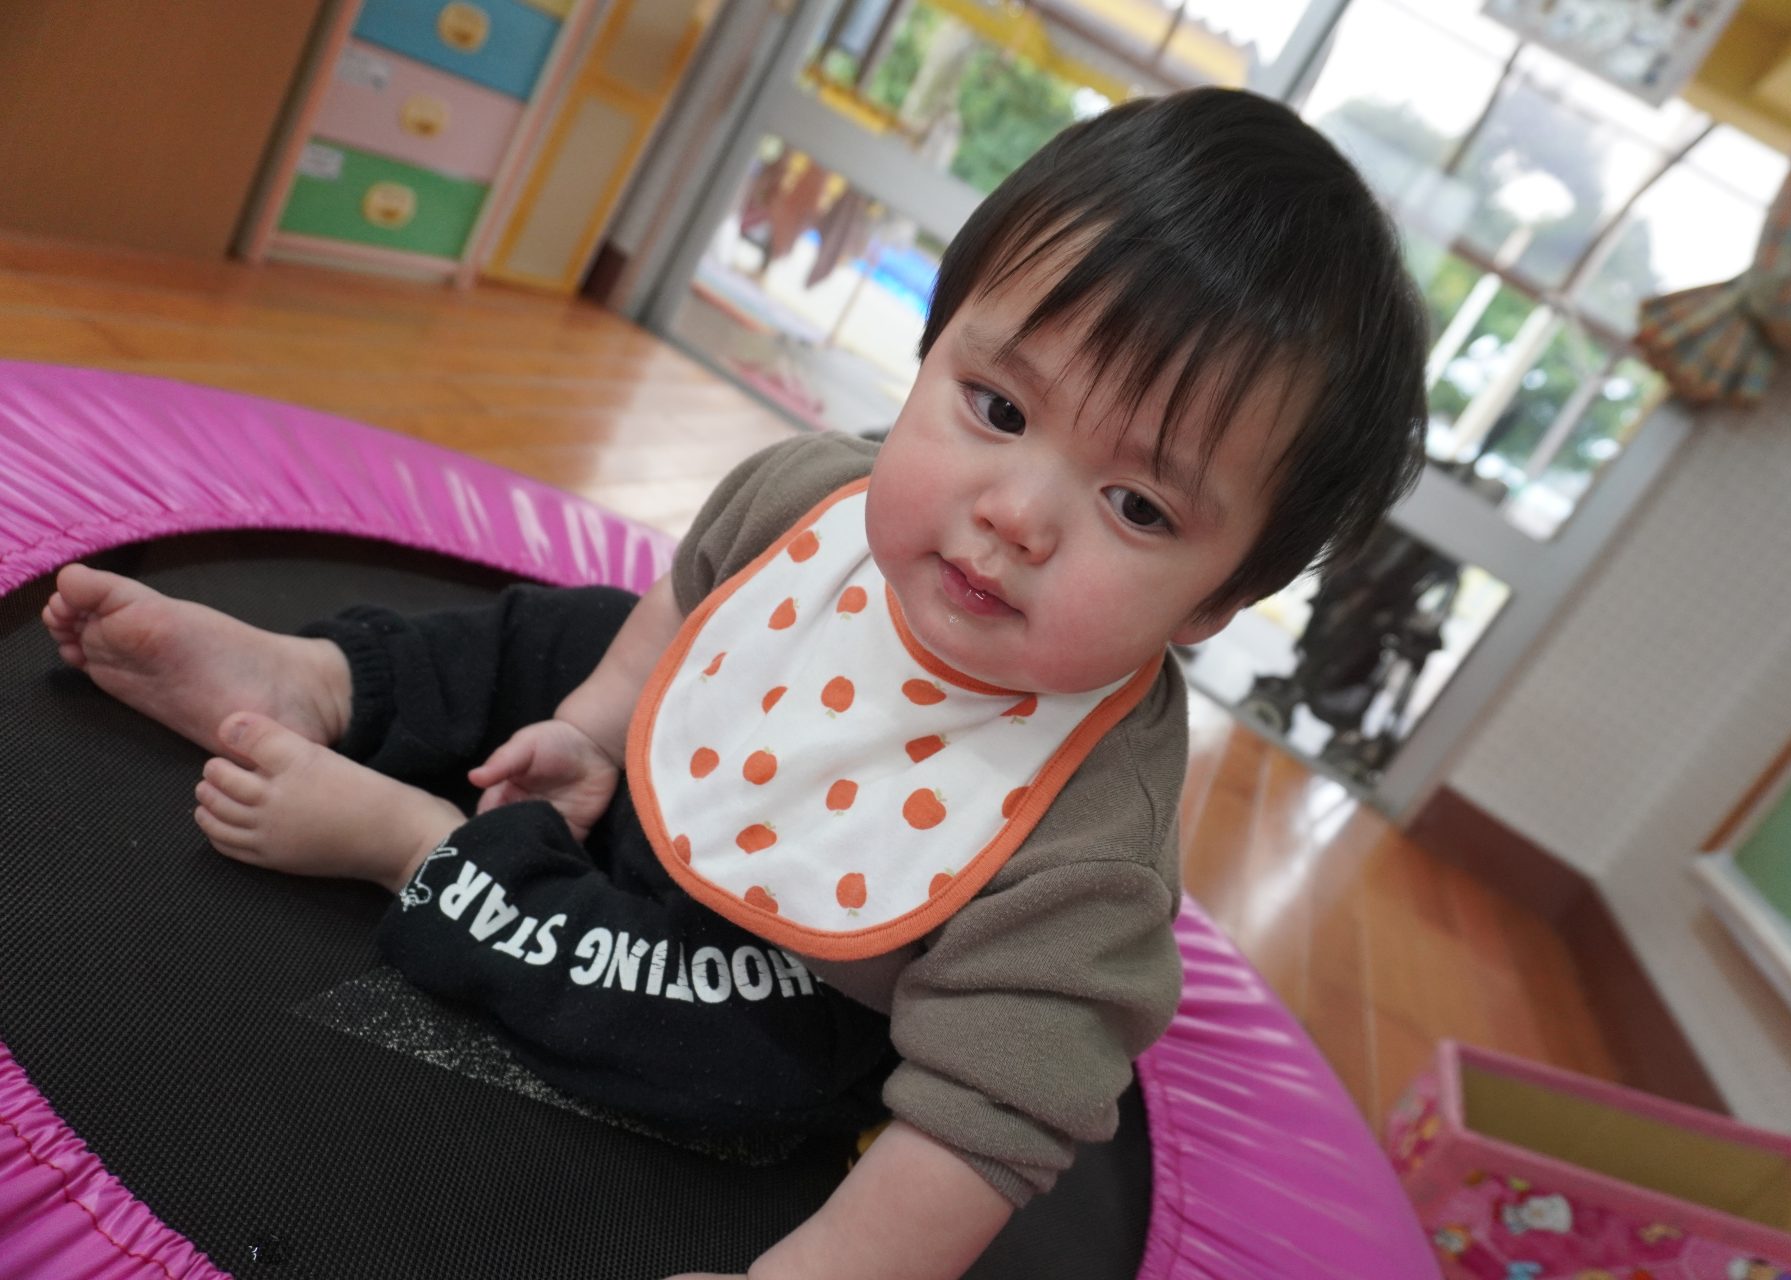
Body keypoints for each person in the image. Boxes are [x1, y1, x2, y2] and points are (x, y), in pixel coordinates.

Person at [40, 88, 1427, 1280]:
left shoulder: (1087, 853)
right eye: (998, 410)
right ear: (932, 348)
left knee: (738, 1067)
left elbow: (986, 1121)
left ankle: (420, 853)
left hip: (790, 971)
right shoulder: (809, 497)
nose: (1016, 513)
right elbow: (682, 605)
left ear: (1219, 602)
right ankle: (326, 680)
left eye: (1137, 506)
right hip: (666, 780)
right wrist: (596, 729)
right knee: (566, 631)